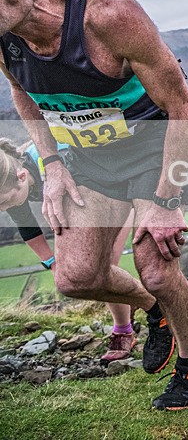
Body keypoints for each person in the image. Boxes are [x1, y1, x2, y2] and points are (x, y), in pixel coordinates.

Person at [0, 0, 188, 410]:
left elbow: (185, 109)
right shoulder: (5, 33)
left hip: (153, 147)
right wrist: (52, 165)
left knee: (158, 269)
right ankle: (153, 311)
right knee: (74, 278)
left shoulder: (107, 14)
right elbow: (23, 92)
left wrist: (167, 200)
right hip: (88, 157)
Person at [0, 139, 138, 363]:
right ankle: (130, 302)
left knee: (104, 265)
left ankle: (124, 331)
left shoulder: (58, 163)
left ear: (22, 177)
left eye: (4, 202)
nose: (3, 209)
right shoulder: (10, 181)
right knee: (87, 269)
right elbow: (27, 227)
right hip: (81, 201)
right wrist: (52, 263)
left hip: (116, 194)